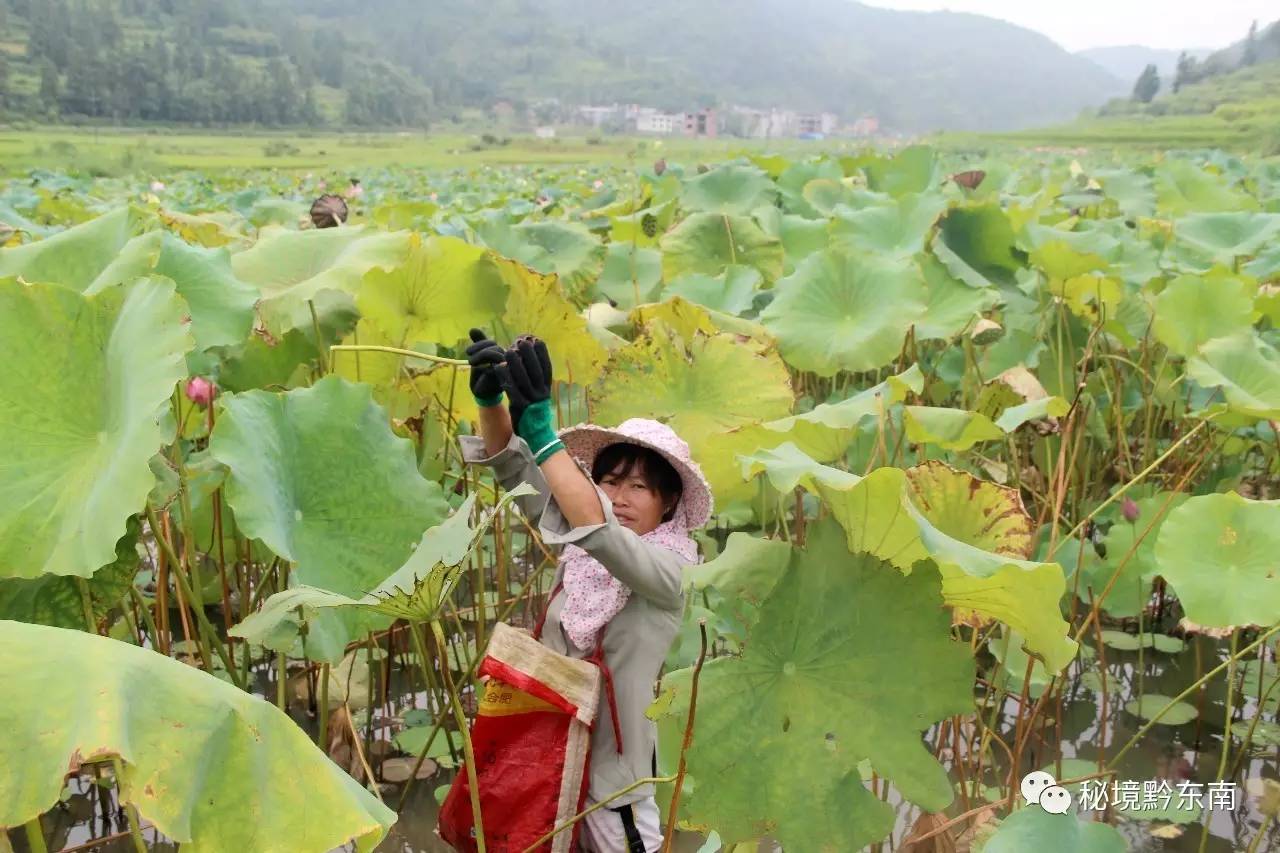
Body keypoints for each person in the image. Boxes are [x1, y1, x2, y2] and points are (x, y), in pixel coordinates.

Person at [458, 329, 714, 853]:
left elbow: (603, 535)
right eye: (611, 482)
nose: (620, 497)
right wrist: (492, 402)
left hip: (611, 779)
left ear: (667, 503)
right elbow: (518, 474)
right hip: (544, 753)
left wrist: (544, 432)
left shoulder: (671, 572)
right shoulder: (578, 548)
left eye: (639, 486)